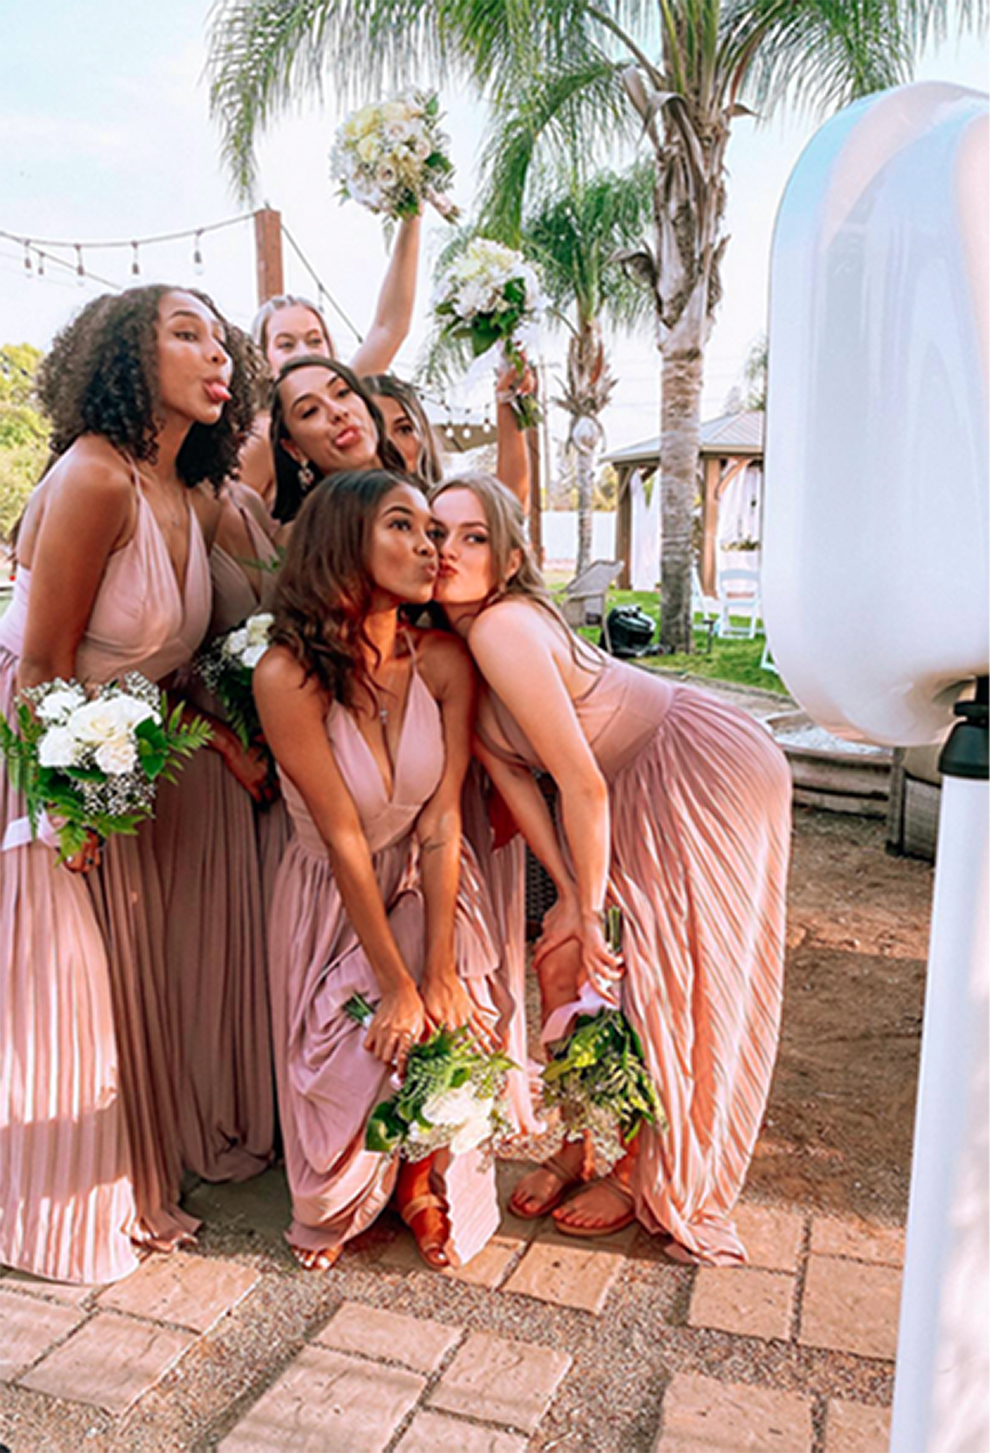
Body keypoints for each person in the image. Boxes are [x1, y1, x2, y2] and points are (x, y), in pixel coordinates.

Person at [430, 472, 792, 1265]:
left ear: (511, 558)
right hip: (626, 785)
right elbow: (518, 782)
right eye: (437, 532)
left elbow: (581, 782)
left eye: (474, 536)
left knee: (661, 968)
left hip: (693, 767)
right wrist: (568, 894)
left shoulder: (503, 627)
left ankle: (636, 1169)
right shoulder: (456, 647)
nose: (449, 550)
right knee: (561, 958)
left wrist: (591, 910)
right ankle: (578, 1144)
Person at [0, 284, 257, 1280]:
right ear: (127, 358)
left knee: (114, 974)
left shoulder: (189, 494)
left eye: (220, 338)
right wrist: (68, 809)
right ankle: (48, 1206)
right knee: (55, 982)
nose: (216, 352)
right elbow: (42, 665)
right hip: (35, 752)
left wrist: (225, 744)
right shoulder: (96, 476)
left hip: (112, 754)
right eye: (185, 334)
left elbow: (162, 664)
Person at [254, 469, 503, 1270]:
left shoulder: (444, 663)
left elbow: (442, 821)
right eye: (404, 526)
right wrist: (396, 984)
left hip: (429, 876)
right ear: (343, 542)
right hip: (332, 892)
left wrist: (436, 971)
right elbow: (342, 837)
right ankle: (349, 1190)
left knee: (452, 990)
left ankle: (420, 1181)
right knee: (357, 1045)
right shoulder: (286, 675)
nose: (430, 547)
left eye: (433, 530)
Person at [239, 213, 422, 509]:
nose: (305, 352)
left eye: (314, 340)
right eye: (286, 345)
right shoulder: (263, 433)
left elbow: (390, 327)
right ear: (263, 358)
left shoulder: (344, 396)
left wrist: (411, 216)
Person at [365, 366, 535, 509]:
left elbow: (509, 504)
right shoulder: (349, 518)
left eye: (404, 430)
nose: (391, 444)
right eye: (374, 430)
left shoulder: (440, 513)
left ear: (423, 437)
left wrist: (507, 398)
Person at [269, 357, 406, 526]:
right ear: (294, 449)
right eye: (310, 411)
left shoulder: (431, 502)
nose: (337, 412)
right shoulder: (305, 535)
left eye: (342, 393)